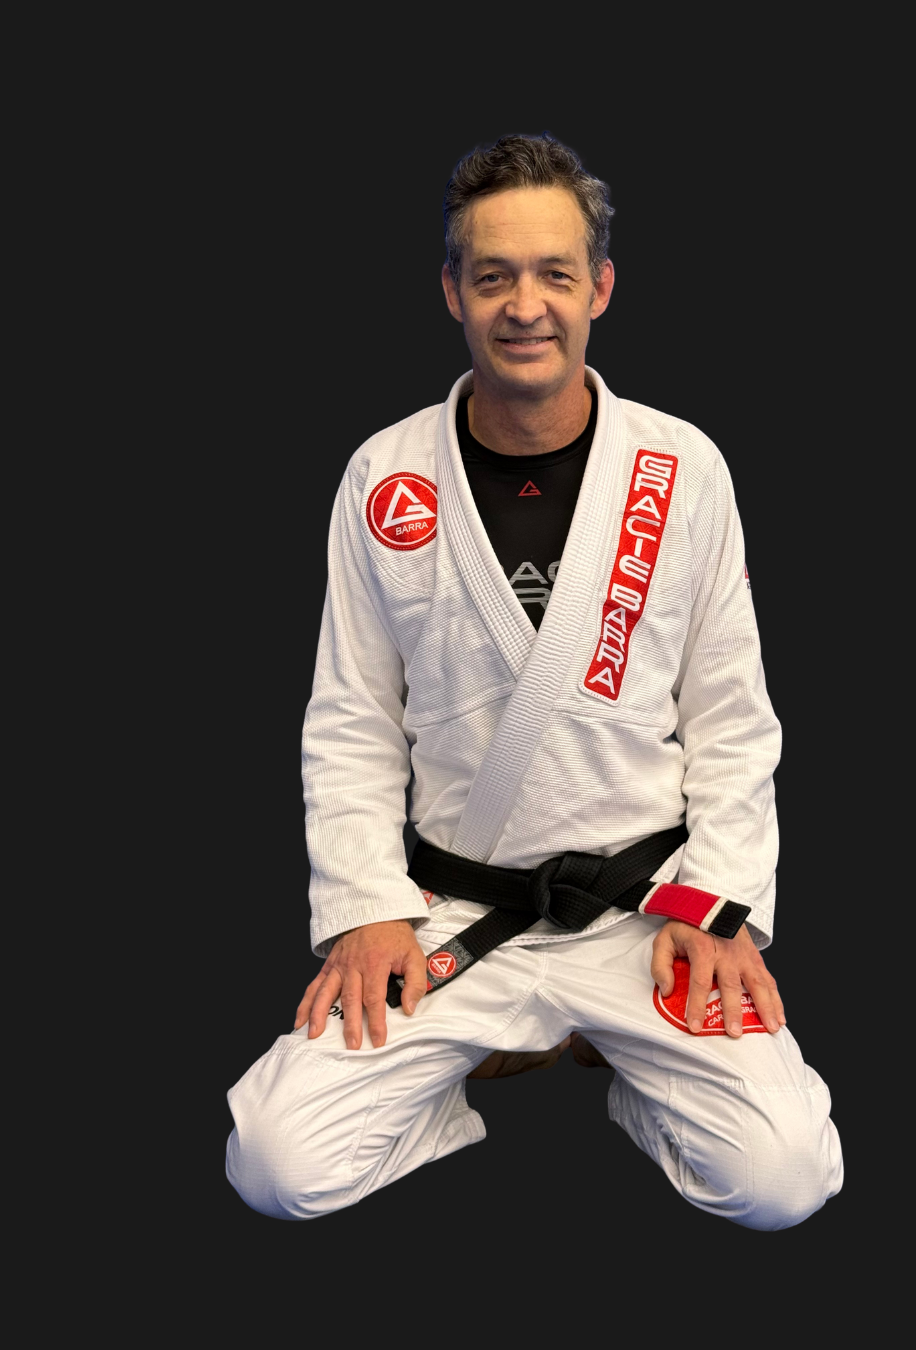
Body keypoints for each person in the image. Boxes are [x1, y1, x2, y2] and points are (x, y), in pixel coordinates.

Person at [225, 133, 843, 1228]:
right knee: (274, 1166)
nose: (525, 306)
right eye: (494, 275)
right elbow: (353, 718)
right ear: (451, 291)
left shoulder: (681, 468)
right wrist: (366, 910)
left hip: (646, 913)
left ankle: (624, 1068)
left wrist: (717, 906)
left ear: (599, 287)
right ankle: (474, 1069)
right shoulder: (385, 475)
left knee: (782, 1179)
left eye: (555, 273)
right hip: (454, 915)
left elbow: (733, 719)